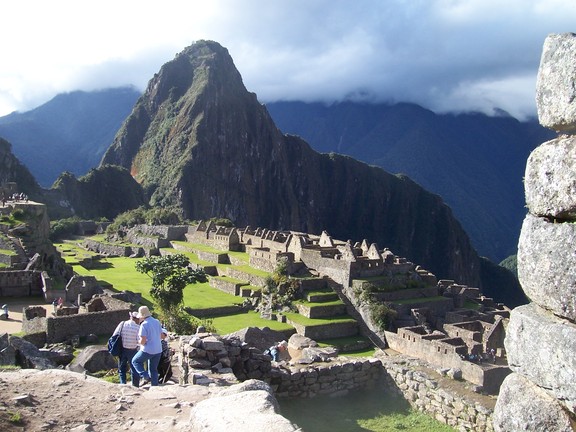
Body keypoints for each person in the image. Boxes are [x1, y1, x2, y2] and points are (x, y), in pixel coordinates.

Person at [131, 306, 163, 387]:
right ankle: (155, 387)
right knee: (153, 369)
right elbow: (161, 335)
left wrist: (138, 342)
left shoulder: (144, 324)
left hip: (148, 349)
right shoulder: (157, 321)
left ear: (142, 316)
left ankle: (145, 376)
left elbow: (143, 341)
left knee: (135, 361)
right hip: (158, 349)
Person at [112, 311, 141, 386]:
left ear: (131, 317)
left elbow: (115, 335)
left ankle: (123, 384)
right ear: (137, 319)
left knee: (122, 369)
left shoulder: (122, 324)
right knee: (134, 369)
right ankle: (135, 386)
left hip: (122, 349)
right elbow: (139, 340)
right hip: (133, 350)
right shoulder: (138, 327)